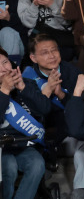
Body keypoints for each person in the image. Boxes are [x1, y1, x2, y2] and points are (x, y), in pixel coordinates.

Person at [26, 34, 84, 199]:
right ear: (33, 57)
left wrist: (60, 94)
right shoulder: (27, 77)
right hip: (41, 134)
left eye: (54, 50)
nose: (52, 55)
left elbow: (81, 109)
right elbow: (30, 113)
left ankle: (80, 189)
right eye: (45, 52)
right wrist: (46, 92)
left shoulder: (72, 71)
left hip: (69, 131)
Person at [0, 47, 49, 199]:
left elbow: (45, 109)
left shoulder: (27, 83)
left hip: (24, 143)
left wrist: (23, 88)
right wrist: (4, 91)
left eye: (5, 62)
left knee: (37, 164)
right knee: (9, 168)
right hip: (1, 148)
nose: (3, 69)